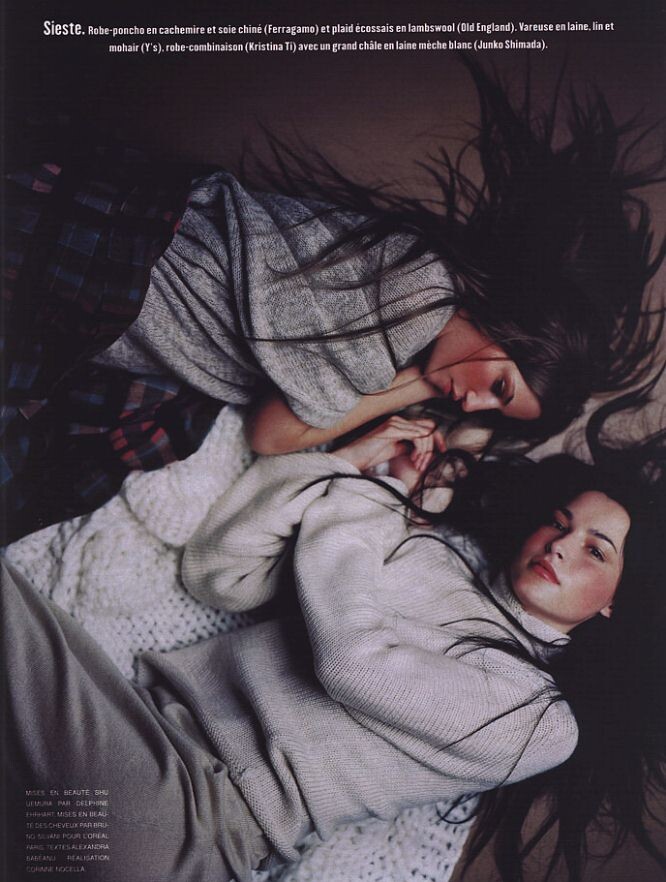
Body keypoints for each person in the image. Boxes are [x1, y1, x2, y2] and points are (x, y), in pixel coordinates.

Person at [3, 57, 663, 542]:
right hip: (113, 256)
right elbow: (271, 435)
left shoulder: (423, 309)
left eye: (493, 406)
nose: (472, 401)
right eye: (497, 386)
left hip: (133, 293)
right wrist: (414, 389)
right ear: (510, 326)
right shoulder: (418, 292)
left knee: (68, 463)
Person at [3, 410, 664, 882]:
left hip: (188, 816)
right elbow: (217, 571)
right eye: (561, 523)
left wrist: (376, 497)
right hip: (131, 731)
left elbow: (352, 661)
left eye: (595, 551)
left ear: (616, 602)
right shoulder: (432, 555)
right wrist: (348, 467)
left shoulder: (541, 721)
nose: (560, 545)